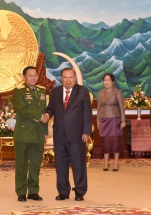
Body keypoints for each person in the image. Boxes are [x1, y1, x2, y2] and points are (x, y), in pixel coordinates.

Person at [43, 67, 92, 201]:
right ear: (61, 78)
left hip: (77, 135)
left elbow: (87, 113)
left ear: (75, 78)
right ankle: (63, 192)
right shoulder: (55, 92)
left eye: (71, 77)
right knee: (60, 165)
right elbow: (51, 108)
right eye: (65, 77)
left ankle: (80, 191)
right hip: (59, 134)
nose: (68, 80)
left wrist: (86, 131)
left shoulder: (82, 91)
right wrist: (47, 115)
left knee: (78, 164)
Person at [13, 66, 48, 202]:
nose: (33, 78)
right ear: (24, 77)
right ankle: (21, 191)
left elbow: (45, 111)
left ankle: (33, 191)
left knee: (35, 164)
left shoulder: (42, 91)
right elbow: (22, 110)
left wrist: (45, 131)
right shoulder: (18, 91)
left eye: (35, 75)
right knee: (21, 164)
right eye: (30, 75)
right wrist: (40, 117)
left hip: (39, 134)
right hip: (24, 133)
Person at [96, 73, 126, 172]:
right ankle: (106, 162)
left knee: (115, 141)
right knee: (105, 142)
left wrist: (123, 120)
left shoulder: (117, 92)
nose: (106, 82)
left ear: (113, 82)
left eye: (108, 80)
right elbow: (99, 107)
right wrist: (97, 120)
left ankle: (116, 163)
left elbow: (122, 107)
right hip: (104, 120)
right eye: (105, 80)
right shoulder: (101, 93)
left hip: (115, 119)